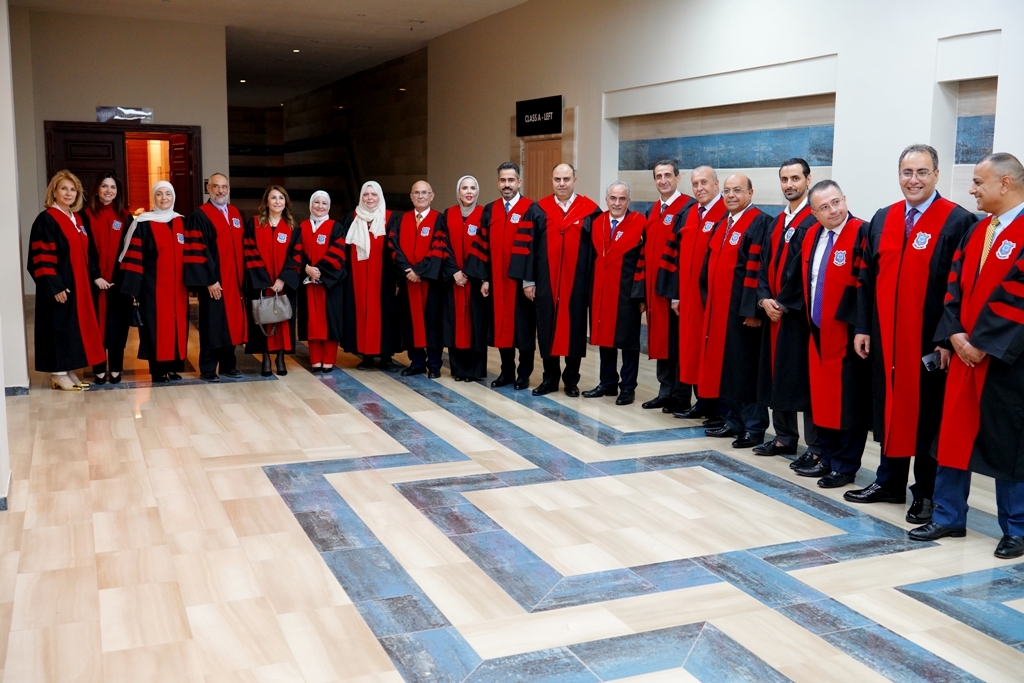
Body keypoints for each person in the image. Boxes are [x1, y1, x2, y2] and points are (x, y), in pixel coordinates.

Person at [844, 144, 975, 524]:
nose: (913, 180)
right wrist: (863, 327)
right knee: (890, 408)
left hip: (930, 342)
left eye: (921, 172)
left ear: (936, 175)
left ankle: (926, 493)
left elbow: (958, 288)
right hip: (886, 338)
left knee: (928, 415)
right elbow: (866, 279)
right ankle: (889, 481)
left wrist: (946, 339)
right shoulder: (883, 219)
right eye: (906, 172)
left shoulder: (956, 220)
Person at [910, 152, 1024, 560]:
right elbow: (953, 284)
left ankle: (1017, 528)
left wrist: (982, 343)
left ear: (1005, 183)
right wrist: (955, 334)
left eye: (978, 182)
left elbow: (1019, 297)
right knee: (953, 434)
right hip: (964, 356)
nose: (972, 189)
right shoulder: (977, 231)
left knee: (1009, 443)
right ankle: (948, 515)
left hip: (1008, 362)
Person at [781, 180, 869, 488]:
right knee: (823, 400)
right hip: (817, 332)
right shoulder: (812, 236)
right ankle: (826, 458)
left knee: (848, 404)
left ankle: (845, 466)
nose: (833, 210)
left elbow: (866, 288)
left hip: (848, 337)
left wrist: (862, 328)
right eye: (824, 207)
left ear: (845, 199)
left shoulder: (862, 233)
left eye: (836, 202)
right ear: (814, 213)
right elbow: (804, 280)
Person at [753, 159, 821, 463]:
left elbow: (804, 270)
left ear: (808, 179)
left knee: (803, 380)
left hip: (798, 316)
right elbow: (764, 264)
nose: (789, 184)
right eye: (784, 179)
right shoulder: (777, 221)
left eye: (795, 178)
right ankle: (783, 437)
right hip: (773, 313)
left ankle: (815, 446)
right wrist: (764, 299)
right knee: (776, 374)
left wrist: (782, 302)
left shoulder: (813, 220)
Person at [700, 174, 770, 447]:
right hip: (720, 310)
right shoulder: (722, 224)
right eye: (727, 190)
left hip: (743, 313)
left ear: (750, 193)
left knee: (744, 369)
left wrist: (753, 311)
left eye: (737, 190)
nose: (731, 195)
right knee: (726, 367)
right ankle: (733, 420)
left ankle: (754, 427)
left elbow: (757, 271)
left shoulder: (759, 222)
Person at [27, 170, 105, 390]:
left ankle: (67, 369)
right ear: (54, 191)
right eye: (63, 188)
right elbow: (41, 256)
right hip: (61, 285)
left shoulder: (77, 219)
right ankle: (58, 373)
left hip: (79, 285)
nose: (69, 193)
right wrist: (54, 286)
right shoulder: (47, 219)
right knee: (59, 327)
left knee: (72, 328)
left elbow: (87, 253)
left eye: (73, 190)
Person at [532, 163, 600, 397]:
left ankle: (571, 380)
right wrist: (529, 281)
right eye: (557, 179)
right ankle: (549, 379)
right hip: (546, 281)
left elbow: (597, 250)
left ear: (574, 180)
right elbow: (528, 248)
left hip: (577, 283)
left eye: (566, 179)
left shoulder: (590, 210)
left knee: (575, 329)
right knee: (547, 328)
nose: (562, 184)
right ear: (552, 181)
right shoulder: (539, 209)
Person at [667, 166, 728, 422]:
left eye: (704, 182)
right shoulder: (691, 213)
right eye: (695, 184)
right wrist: (677, 295)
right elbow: (679, 256)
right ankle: (701, 401)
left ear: (716, 184)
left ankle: (718, 409)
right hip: (689, 297)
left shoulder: (725, 212)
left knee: (711, 351)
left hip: (711, 298)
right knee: (692, 350)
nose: (700, 188)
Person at [476, 162, 540, 390]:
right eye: (503, 180)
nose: (507, 184)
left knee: (523, 329)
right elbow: (483, 246)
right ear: (498, 183)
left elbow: (535, 249)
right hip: (497, 281)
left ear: (519, 182)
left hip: (520, 283)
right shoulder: (490, 210)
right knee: (502, 328)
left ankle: (524, 374)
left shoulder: (531, 208)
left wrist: (530, 280)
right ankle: (507, 372)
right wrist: (485, 278)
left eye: (511, 180)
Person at [582, 181, 646, 405]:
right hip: (601, 289)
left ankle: (628, 387)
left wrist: (641, 295)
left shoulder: (639, 223)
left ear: (629, 201)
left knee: (628, 342)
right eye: (613, 198)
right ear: (606, 200)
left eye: (622, 199)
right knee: (605, 338)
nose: (617, 203)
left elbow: (644, 261)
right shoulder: (596, 223)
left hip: (627, 293)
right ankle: (607, 382)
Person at [117, 181, 189, 383]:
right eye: (159, 194)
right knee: (156, 329)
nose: (164, 198)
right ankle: (158, 371)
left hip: (179, 289)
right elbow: (135, 256)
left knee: (178, 326)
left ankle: (173, 367)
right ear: (153, 197)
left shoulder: (182, 222)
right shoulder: (143, 223)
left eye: (168, 193)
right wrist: (135, 288)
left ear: (173, 197)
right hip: (153, 288)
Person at [643, 160, 696, 411]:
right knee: (661, 341)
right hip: (655, 291)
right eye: (658, 176)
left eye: (667, 175)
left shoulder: (688, 208)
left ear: (677, 177)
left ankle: (680, 396)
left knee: (677, 343)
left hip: (675, 290)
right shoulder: (652, 210)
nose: (663, 180)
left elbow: (684, 254)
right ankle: (665, 391)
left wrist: (676, 293)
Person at [183, 173, 247, 382]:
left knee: (231, 324)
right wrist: (209, 280)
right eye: (216, 186)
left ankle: (229, 365)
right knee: (213, 324)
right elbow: (197, 250)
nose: (221, 191)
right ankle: (208, 368)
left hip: (235, 282)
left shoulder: (237, 214)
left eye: (224, 187)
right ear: (208, 189)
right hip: (215, 281)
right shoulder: (200, 215)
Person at [341, 181, 401, 370]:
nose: (370, 198)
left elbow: (396, 249)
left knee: (385, 315)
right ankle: (366, 355)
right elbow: (342, 249)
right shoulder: (351, 218)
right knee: (360, 313)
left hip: (383, 279)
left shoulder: (389, 218)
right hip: (357, 278)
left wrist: (398, 278)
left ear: (380, 197)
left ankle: (386, 357)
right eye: (366, 194)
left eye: (374, 194)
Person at [436, 175, 489, 381]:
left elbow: (487, 246)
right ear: (458, 192)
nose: (469, 192)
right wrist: (454, 272)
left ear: (477, 191)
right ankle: (458, 369)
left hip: (476, 282)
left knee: (476, 324)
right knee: (454, 322)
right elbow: (443, 245)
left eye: (472, 188)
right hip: (454, 280)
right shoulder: (448, 214)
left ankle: (475, 371)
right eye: (464, 188)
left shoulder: (484, 214)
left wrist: (476, 273)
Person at [243, 186, 299, 376]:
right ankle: (266, 358)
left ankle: (280, 357)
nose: (277, 202)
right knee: (261, 318)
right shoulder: (254, 224)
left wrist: (283, 279)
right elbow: (249, 250)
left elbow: (296, 255)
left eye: (281, 198)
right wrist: (264, 280)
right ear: (266, 202)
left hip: (283, 285)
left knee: (283, 319)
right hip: (261, 283)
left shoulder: (292, 227)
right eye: (273, 198)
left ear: (285, 202)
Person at [392, 181, 445, 378]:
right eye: (416, 193)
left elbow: (438, 248)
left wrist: (419, 271)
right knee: (410, 322)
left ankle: (434, 364)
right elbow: (393, 247)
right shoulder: (401, 220)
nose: (420, 196)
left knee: (432, 323)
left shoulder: (439, 219)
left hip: (431, 282)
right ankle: (417, 363)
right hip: (408, 281)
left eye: (424, 193)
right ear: (411, 196)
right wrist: (407, 270)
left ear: (432, 196)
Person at [84, 174, 133, 385]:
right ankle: (98, 369)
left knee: (117, 328)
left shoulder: (126, 217)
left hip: (117, 284)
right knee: (95, 327)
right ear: (96, 189)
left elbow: (129, 251)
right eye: (104, 186)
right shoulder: (84, 216)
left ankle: (115, 369)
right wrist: (95, 276)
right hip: (93, 283)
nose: (108, 191)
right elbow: (84, 250)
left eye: (113, 187)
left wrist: (118, 278)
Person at [291, 190, 347, 374]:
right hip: (308, 283)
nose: (320, 206)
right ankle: (315, 359)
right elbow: (296, 252)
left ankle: (329, 360)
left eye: (324, 203)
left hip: (330, 285)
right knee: (312, 322)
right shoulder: (302, 227)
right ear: (310, 205)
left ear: (329, 206)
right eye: (316, 202)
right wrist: (307, 268)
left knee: (330, 321)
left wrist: (320, 271)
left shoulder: (336, 227)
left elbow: (338, 253)